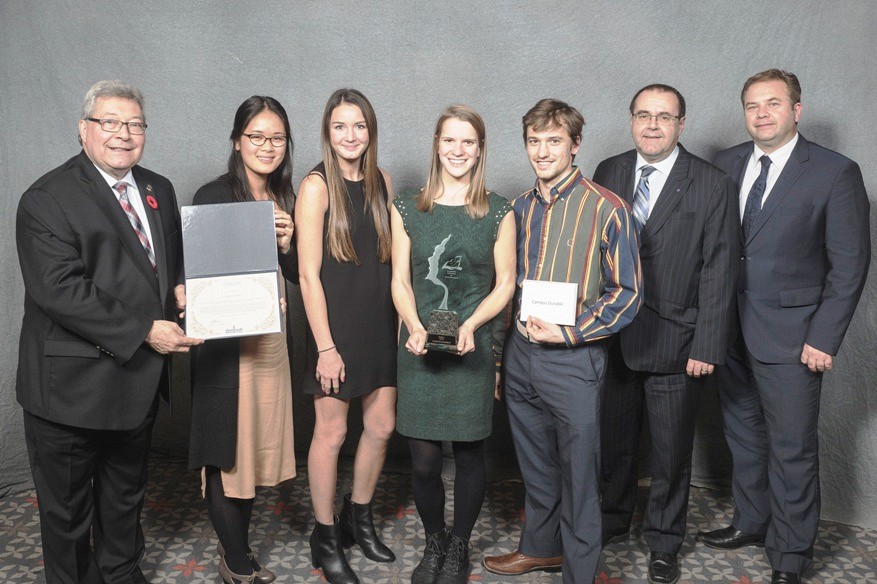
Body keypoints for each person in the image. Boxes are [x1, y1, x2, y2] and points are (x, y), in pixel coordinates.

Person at [15, 80, 202, 584]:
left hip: (136, 381)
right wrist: (145, 330)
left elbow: (163, 267)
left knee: (124, 497)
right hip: (69, 391)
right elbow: (61, 290)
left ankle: (121, 574)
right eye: (110, 122)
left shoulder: (158, 188)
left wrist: (182, 290)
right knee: (67, 514)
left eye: (135, 124)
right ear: (84, 129)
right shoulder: (47, 198)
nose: (124, 134)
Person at [696, 69, 870, 584]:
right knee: (744, 436)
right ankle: (751, 522)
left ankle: (791, 556)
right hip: (729, 331)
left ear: (796, 110)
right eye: (753, 105)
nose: (762, 114)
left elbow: (850, 266)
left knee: (792, 449)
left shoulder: (835, 172)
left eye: (773, 103)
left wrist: (823, 337)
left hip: (796, 338)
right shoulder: (724, 163)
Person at [482, 99, 642, 584]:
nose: (543, 151)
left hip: (574, 359)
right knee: (535, 464)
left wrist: (570, 331)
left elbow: (628, 294)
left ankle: (579, 572)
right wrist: (498, 362)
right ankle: (541, 549)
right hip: (520, 356)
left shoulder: (608, 208)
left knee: (579, 474)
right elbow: (505, 288)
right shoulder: (517, 209)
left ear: (575, 145)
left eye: (554, 140)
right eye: (534, 141)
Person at [594, 84, 739, 584]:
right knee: (613, 442)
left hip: (678, 341)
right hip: (613, 336)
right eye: (643, 115)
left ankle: (663, 542)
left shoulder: (712, 183)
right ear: (631, 120)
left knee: (672, 453)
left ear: (681, 124)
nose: (652, 125)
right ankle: (612, 518)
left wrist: (707, 345)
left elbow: (720, 269)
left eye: (663, 116)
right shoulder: (609, 171)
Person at [391, 105, 516, 584]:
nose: (458, 150)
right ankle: (434, 541)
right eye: (449, 140)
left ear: (480, 149)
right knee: (424, 461)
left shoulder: (499, 210)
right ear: (436, 145)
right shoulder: (408, 207)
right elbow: (400, 281)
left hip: (472, 348)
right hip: (419, 349)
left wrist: (473, 325)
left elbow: (505, 284)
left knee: (468, 456)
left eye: (468, 142)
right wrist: (412, 324)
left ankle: (459, 544)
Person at [187, 96, 298, 584]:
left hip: (269, 340)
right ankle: (235, 559)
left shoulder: (281, 196)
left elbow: (294, 274)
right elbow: (199, 271)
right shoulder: (214, 195)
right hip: (226, 345)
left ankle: (236, 548)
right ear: (237, 141)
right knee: (226, 449)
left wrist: (287, 244)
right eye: (256, 136)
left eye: (277, 138)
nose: (267, 146)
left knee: (251, 448)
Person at [296, 88, 397, 584]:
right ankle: (326, 536)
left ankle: (359, 517)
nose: (350, 135)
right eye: (340, 126)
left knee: (380, 427)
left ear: (370, 131)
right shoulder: (315, 186)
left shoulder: (383, 180)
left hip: (379, 324)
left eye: (359, 126)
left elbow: (392, 260)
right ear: (327, 132)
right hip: (334, 330)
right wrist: (326, 347)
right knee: (332, 434)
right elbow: (307, 275)